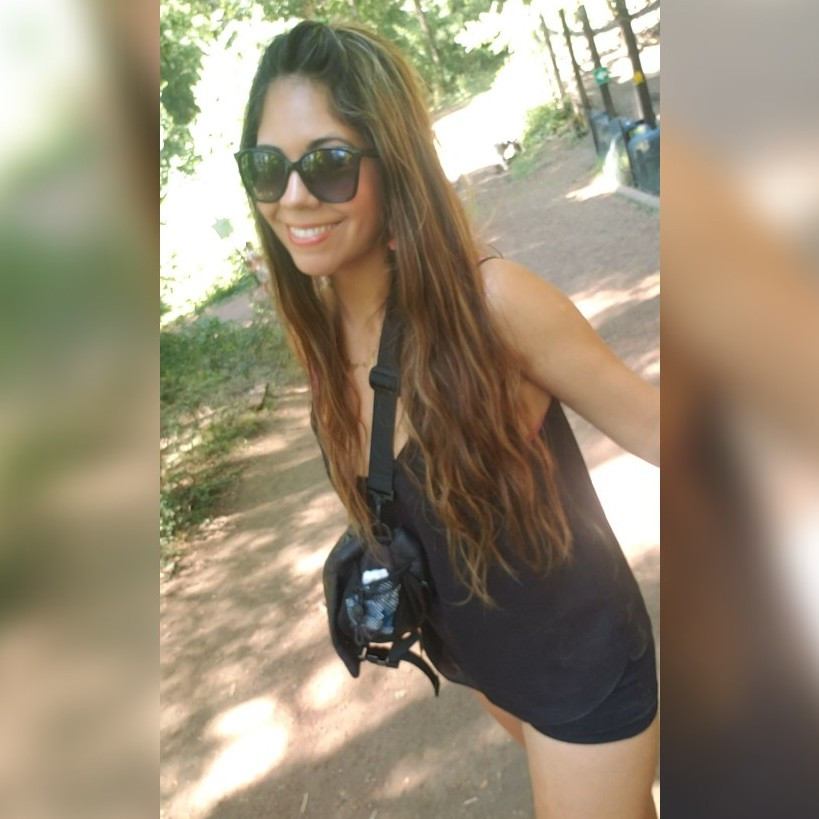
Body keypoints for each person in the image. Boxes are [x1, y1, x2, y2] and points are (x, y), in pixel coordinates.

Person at [235, 20, 660, 819]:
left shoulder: (491, 306)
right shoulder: (323, 336)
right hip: (486, 668)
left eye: (327, 163)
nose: (292, 197)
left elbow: (659, 429)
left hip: (584, 674)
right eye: (267, 167)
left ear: (391, 163)